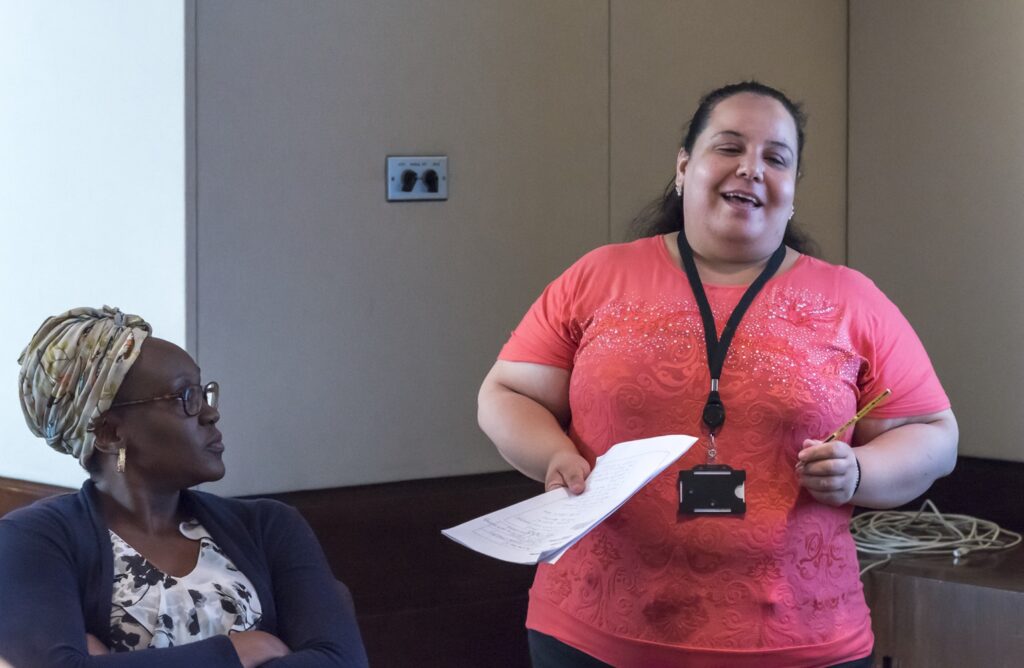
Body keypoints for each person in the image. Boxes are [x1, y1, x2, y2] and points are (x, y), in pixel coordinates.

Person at [478, 81, 958, 667]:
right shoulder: (598, 277)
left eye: (775, 158)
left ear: (792, 190)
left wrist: (861, 471)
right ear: (684, 167)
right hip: (593, 633)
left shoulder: (851, 300)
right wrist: (552, 454)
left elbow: (934, 433)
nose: (751, 169)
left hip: (800, 640)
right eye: (728, 148)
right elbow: (506, 392)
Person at [0, 306, 369, 668]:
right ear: (111, 433)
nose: (211, 413)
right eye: (186, 397)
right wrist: (240, 652)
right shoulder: (34, 540)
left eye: (205, 393)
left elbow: (341, 659)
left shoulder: (270, 526)